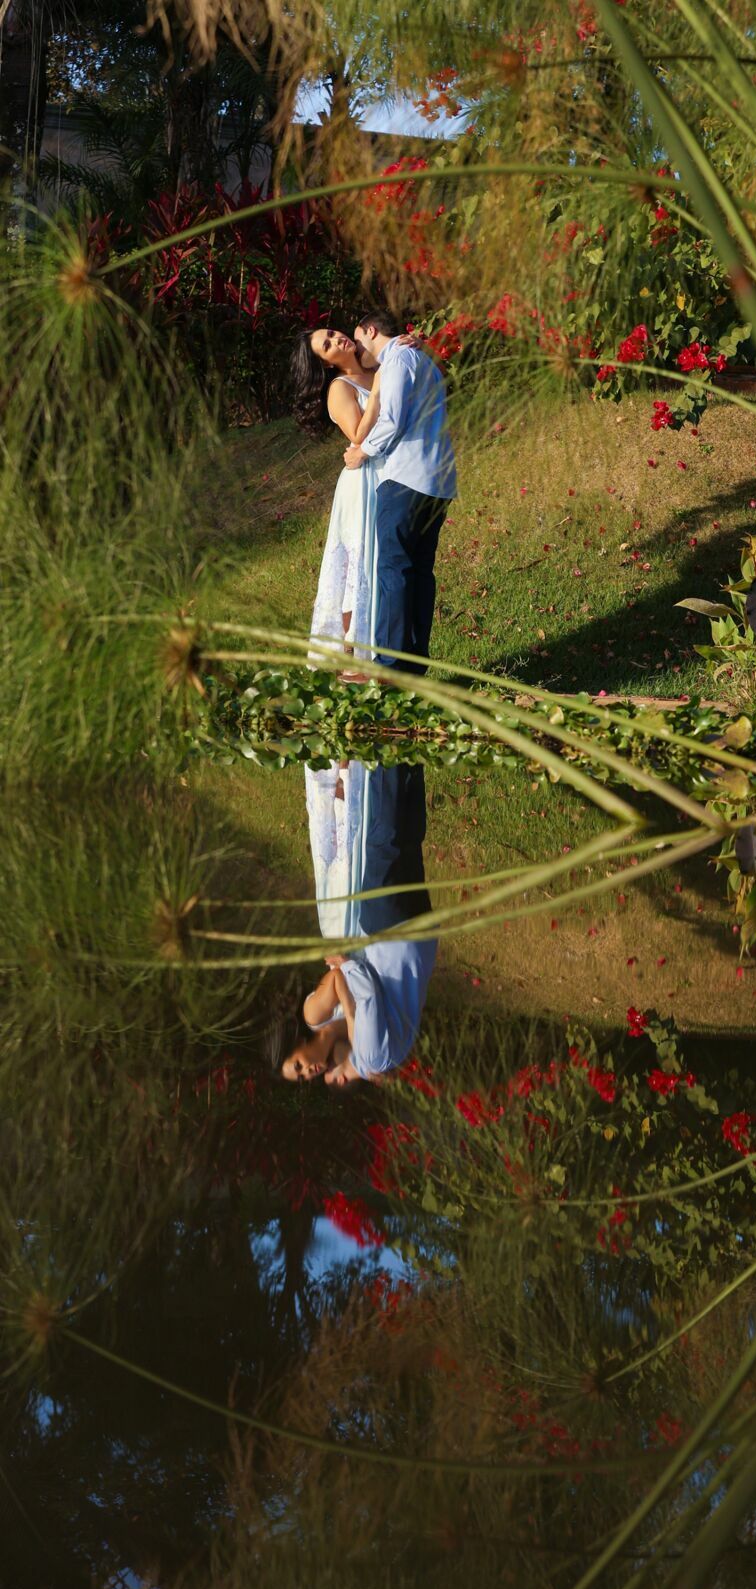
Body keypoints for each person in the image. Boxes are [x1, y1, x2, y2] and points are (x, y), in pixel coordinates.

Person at [282, 759, 437, 1089]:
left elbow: (345, 985)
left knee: (403, 845)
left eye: (296, 1066)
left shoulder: (328, 1024)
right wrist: (347, 972)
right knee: (384, 844)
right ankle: (388, 751)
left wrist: (347, 980)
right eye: (307, 1076)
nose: (310, 1071)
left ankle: (409, 758)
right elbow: (357, 987)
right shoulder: (367, 1056)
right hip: (387, 939)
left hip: (400, 939)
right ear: (337, 1080)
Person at [290, 324, 420, 675]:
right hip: (361, 482)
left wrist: (408, 347)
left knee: (385, 564)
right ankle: (352, 662)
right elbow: (361, 434)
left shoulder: (382, 367)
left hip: (394, 475)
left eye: (332, 332)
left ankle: (383, 659)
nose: (336, 339)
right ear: (327, 362)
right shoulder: (340, 388)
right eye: (327, 345)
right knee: (358, 567)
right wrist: (379, 384)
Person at [342, 307, 457, 674]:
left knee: (393, 570)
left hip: (406, 479)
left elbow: (391, 419)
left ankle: (390, 666)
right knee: (419, 572)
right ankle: (413, 665)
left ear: (369, 331)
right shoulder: (420, 359)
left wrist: (362, 452)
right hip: (436, 482)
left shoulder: (397, 360)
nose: (357, 349)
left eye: (357, 341)